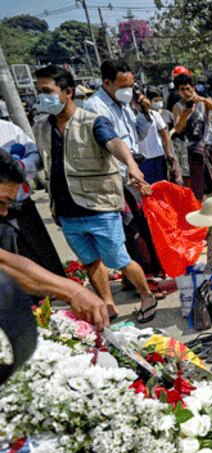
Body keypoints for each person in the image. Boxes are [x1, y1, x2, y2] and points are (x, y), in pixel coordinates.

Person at [32, 65, 157, 323]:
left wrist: (132, 166)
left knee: (119, 258)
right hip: (66, 211)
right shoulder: (44, 127)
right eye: (40, 91)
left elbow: (114, 143)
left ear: (67, 92)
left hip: (99, 206)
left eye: (47, 91)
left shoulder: (92, 121)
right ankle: (107, 302)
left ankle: (146, 295)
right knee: (90, 261)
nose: (42, 97)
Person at [0, 119, 63, 278]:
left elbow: (35, 154)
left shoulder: (8, 129)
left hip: (21, 202)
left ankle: (54, 287)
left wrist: (22, 166)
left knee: (40, 249)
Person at [172, 73, 212, 200]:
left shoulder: (202, 101)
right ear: (178, 91)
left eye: (188, 89)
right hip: (192, 148)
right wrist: (186, 113)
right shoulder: (178, 107)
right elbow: (178, 128)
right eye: (182, 90)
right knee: (197, 184)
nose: (186, 92)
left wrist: (203, 99)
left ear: (193, 88)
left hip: (209, 144)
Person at [84, 60, 143, 169]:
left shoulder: (124, 104)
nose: (128, 91)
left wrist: (143, 111)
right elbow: (109, 142)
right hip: (114, 171)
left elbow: (140, 135)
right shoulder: (96, 107)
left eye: (131, 86)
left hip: (131, 168)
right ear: (107, 83)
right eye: (123, 87)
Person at [136, 88, 180, 185]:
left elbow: (165, 134)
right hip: (142, 160)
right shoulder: (132, 117)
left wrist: (168, 153)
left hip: (158, 157)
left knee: (161, 186)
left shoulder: (154, 115)